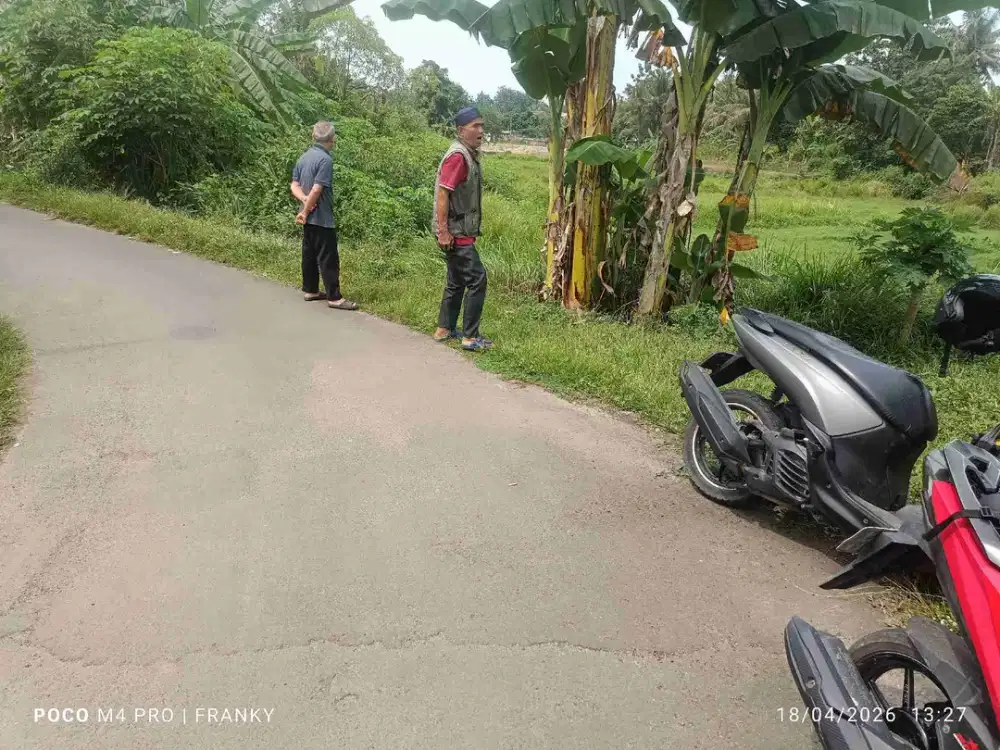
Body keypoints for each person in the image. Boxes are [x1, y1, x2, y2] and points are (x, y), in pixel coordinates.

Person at [432, 106, 492, 352]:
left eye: (482, 125)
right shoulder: (458, 156)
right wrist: (443, 231)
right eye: (475, 126)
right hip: (456, 231)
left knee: (456, 281)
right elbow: (443, 194)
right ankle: (470, 336)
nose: (481, 131)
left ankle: (444, 329)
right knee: (478, 279)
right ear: (461, 130)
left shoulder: (468, 153)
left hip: (459, 229)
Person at [290, 121, 358, 311]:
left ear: (313, 137)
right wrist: (306, 209)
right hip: (322, 219)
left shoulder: (304, 157)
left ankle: (311, 290)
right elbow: (317, 189)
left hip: (308, 220)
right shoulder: (325, 160)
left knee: (309, 254)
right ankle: (334, 297)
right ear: (333, 139)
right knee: (328, 257)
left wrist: (303, 202)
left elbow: (294, 185)